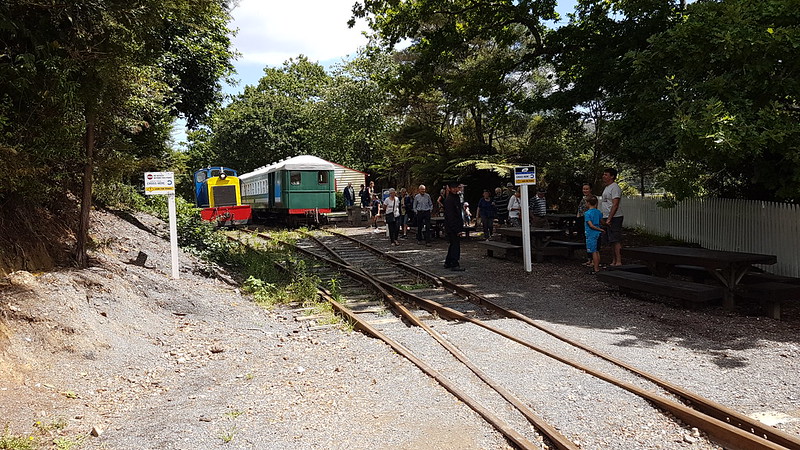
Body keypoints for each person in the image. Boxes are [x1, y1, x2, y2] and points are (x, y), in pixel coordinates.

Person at [601, 167, 624, 266]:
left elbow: (615, 204)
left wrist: (610, 218)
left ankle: (618, 260)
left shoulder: (615, 187)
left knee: (615, 239)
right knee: (611, 240)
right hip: (607, 216)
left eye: (606, 175)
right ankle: (613, 260)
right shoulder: (607, 187)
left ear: (612, 176)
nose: (604, 176)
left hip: (615, 217)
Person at [443, 181, 465, 271]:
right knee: (455, 245)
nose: (458, 189)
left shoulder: (456, 198)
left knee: (453, 245)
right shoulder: (449, 200)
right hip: (452, 227)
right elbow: (451, 216)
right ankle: (454, 263)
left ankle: (448, 262)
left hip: (455, 225)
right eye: (456, 187)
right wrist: (457, 229)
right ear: (452, 188)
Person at [584, 196, 605, 274]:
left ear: (588, 203)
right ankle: (597, 267)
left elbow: (591, 225)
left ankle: (596, 269)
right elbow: (602, 222)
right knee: (597, 251)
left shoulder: (587, 213)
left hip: (591, 234)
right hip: (598, 234)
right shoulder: (598, 212)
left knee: (593, 251)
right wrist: (606, 225)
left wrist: (600, 229)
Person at [577, 183, 593, 266]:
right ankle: (589, 259)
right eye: (584, 189)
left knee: (591, 240)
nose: (585, 191)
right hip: (582, 219)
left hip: (588, 220)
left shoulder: (592, 199)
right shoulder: (583, 199)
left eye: (587, 189)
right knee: (585, 239)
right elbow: (579, 209)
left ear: (590, 190)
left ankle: (592, 259)